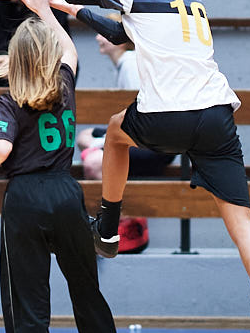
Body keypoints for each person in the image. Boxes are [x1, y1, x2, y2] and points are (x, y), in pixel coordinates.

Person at [9, 0, 250, 333]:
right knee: (240, 218)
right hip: (217, 112)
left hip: (167, 112)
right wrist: (65, 8)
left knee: (115, 134)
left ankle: (109, 226)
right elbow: (121, 30)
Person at [0, 0, 150, 333]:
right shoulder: (65, 85)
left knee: (28, 307)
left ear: (15, 61)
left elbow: (2, 152)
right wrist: (47, 9)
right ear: (49, 58)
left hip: (25, 201)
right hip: (66, 195)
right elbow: (69, 50)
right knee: (87, 294)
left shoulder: (8, 100)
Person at [69, 29, 173, 255]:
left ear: (121, 41)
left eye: (103, 33)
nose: (97, 37)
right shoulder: (124, 64)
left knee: (94, 161)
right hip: (138, 134)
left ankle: (122, 227)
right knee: (84, 137)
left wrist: (101, 145)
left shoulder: (131, 64)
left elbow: (142, 121)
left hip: (153, 143)